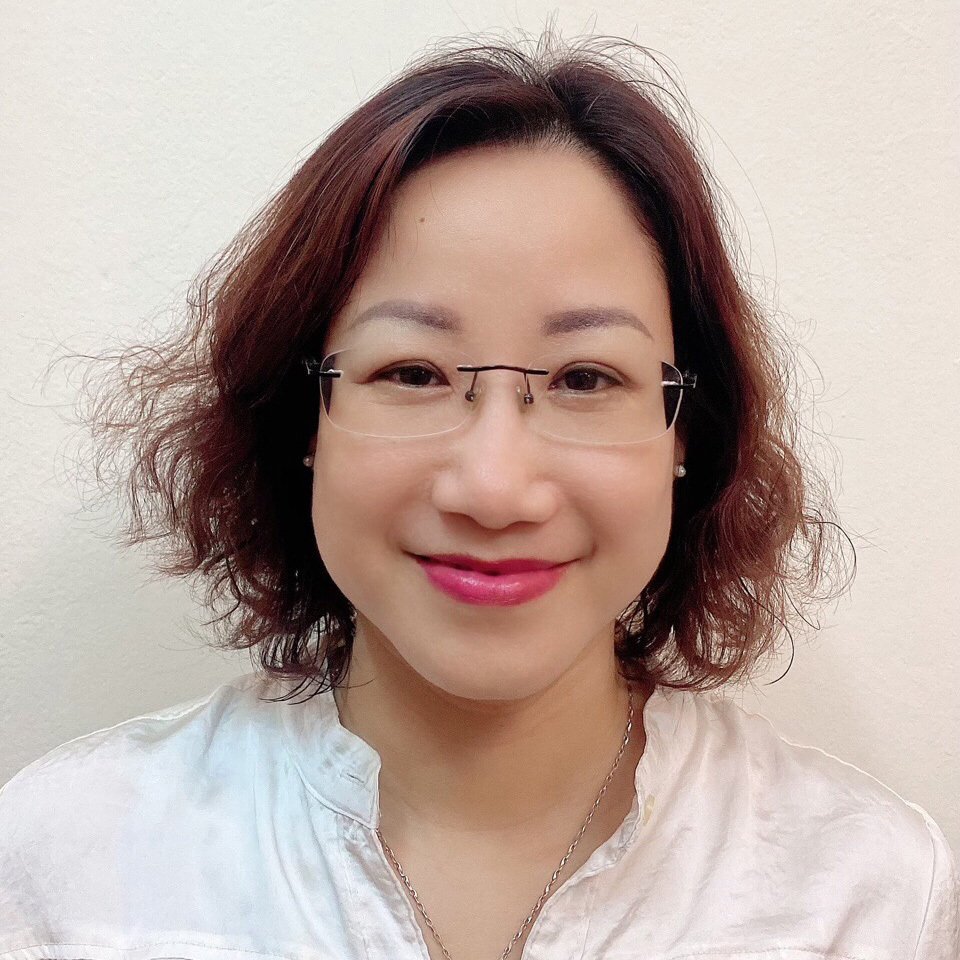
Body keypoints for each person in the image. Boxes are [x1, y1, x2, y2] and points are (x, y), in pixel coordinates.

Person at [1, 28, 956, 960]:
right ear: (304, 422)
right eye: (412, 373)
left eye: (585, 377)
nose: (495, 489)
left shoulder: (865, 896)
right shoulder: (76, 869)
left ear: (684, 435)